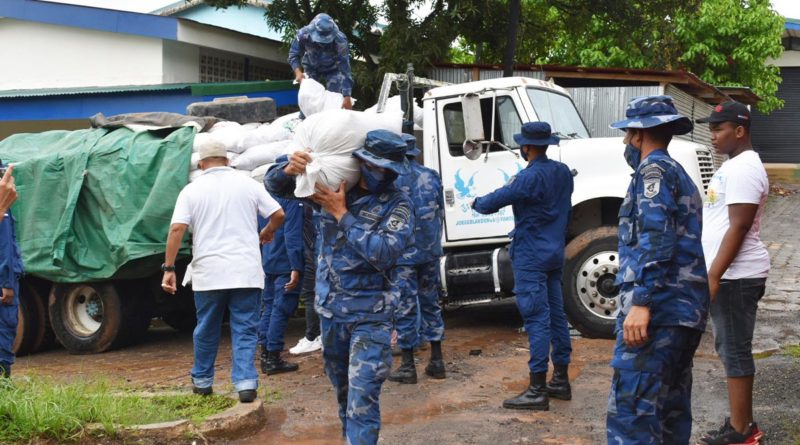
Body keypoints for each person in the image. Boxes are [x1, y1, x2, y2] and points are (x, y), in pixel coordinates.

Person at [265, 129, 414, 445]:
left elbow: (384, 254)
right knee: (344, 395)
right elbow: (275, 187)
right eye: (377, 168)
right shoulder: (332, 185)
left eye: (390, 170)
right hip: (331, 315)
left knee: (363, 399)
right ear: (361, 161)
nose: (383, 175)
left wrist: (342, 214)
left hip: (371, 317)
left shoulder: (398, 202)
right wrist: (288, 169)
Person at [605, 95, 709, 444]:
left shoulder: (653, 173)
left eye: (627, 134)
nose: (625, 143)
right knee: (669, 417)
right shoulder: (680, 175)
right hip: (683, 315)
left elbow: (656, 237)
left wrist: (641, 302)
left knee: (632, 419)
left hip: (658, 313)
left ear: (638, 134)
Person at [162, 138, 285, 403]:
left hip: (209, 273)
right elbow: (278, 214)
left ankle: (203, 382)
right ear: (227, 161)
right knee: (245, 328)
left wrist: (169, 267)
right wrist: (267, 231)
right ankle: (245, 384)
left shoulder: (191, 190)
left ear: (201, 163)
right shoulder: (248, 184)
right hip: (246, 271)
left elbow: (176, 229)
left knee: (207, 327)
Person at [472, 122, 574, 411]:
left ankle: (537, 388)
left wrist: (476, 202)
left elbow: (494, 202)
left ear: (526, 147)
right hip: (555, 253)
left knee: (537, 320)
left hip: (531, 255)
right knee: (556, 316)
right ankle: (561, 380)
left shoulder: (528, 177)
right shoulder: (563, 172)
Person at [696, 101, 768, 445]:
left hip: (736, 276)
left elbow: (738, 227)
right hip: (729, 274)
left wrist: (714, 275)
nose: (713, 135)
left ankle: (743, 432)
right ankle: (740, 423)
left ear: (740, 131)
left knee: (735, 349)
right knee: (730, 347)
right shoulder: (734, 165)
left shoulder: (743, 168)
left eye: (719, 129)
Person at [388, 133, 446, 384]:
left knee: (405, 307)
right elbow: (441, 212)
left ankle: (408, 365)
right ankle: (436, 361)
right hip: (430, 251)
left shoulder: (392, 181)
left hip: (404, 256)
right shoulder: (432, 176)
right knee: (431, 302)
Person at [258, 194, 305, 375]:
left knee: (268, 307)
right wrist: (296, 265)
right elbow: (292, 234)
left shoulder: (264, 199)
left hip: (268, 259)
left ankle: (265, 355)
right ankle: (273, 358)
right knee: (282, 308)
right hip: (286, 261)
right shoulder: (292, 201)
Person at [288, 13, 354, 110]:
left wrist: (347, 96)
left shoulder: (340, 41)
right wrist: (298, 72)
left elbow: (345, 69)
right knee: (308, 99)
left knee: (335, 101)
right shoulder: (303, 34)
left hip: (333, 69)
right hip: (311, 67)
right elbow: (294, 54)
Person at [289, 205, 323, 355]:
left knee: (313, 295)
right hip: (312, 251)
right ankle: (315, 336)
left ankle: (313, 337)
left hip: (318, 252)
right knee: (311, 294)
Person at [0, 162, 22, 378]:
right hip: (4, 282)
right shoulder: (3, 213)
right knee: (4, 333)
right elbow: (6, 249)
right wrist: (6, 284)